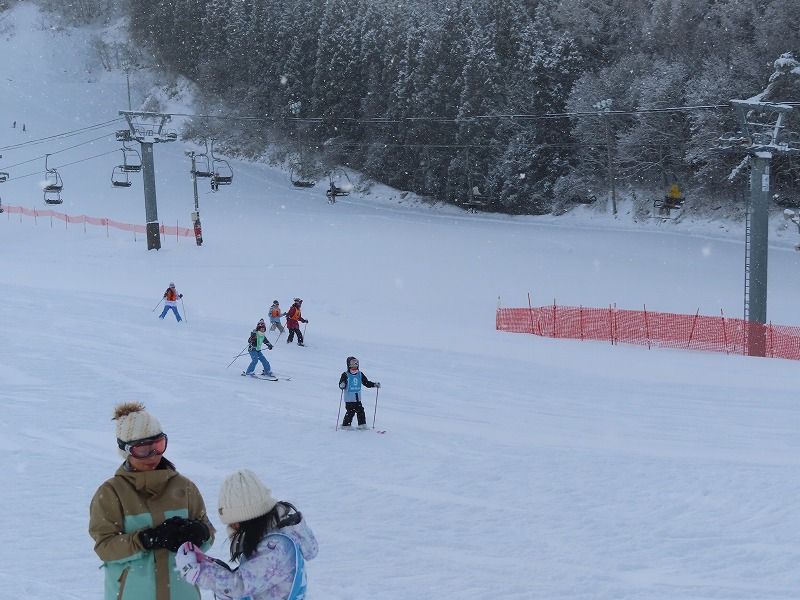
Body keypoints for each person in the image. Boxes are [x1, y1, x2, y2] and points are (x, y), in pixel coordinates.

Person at [89, 402, 215, 600]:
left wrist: (201, 533)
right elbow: (105, 548)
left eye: (158, 445)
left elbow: (208, 534)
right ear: (126, 450)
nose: (153, 455)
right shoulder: (112, 493)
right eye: (142, 449)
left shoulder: (184, 488)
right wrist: (145, 540)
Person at [175, 469, 318, 600]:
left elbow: (240, 585)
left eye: (234, 522)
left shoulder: (276, 548)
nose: (232, 528)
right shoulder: (271, 537)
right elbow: (250, 583)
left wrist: (199, 572)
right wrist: (209, 565)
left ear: (250, 517)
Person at [338, 356, 380, 430]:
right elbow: (341, 384)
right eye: (352, 364)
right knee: (351, 412)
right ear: (348, 365)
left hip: (357, 398)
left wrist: (374, 384)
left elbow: (366, 382)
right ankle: (346, 425)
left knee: (360, 410)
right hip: (349, 398)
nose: (354, 366)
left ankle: (362, 424)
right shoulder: (345, 374)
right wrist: (342, 385)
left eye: (356, 364)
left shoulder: (360, 374)